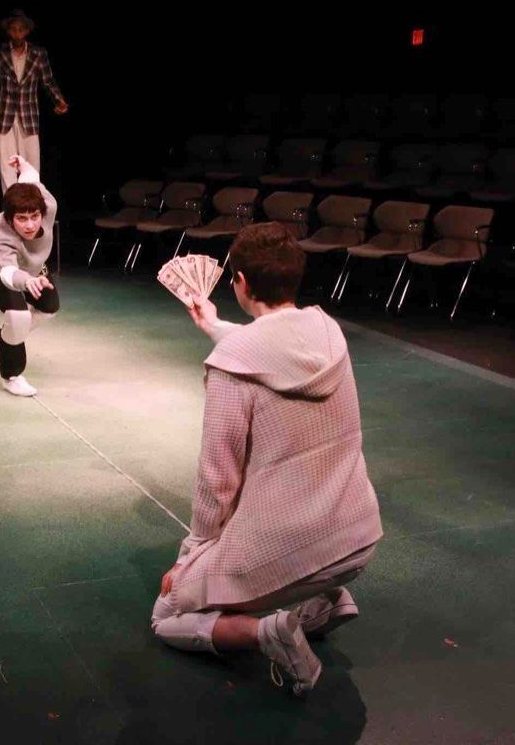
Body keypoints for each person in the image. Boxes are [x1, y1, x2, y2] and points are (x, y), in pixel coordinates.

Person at [150, 223, 383, 696]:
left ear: (238, 281)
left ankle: (268, 631)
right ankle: (326, 602)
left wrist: (189, 558)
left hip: (292, 545)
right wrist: (215, 326)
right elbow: (276, 345)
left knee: (167, 613)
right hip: (358, 538)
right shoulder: (327, 331)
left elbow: (217, 481)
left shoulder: (231, 368)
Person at [0, 155, 58, 397]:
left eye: (34, 217)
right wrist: (28, 281)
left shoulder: (48, 204)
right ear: (10, 219)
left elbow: (31, 178)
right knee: (18, 316)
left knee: (49, 307)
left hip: (31, 262)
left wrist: (23, 165)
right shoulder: (1, 233)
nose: (30, 225)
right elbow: (8, 272)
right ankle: (11, 376)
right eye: (21, 219)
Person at [0, 9, 69, 192]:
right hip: (4, 117)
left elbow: (48, 81)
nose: (17, 34)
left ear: (27, 31)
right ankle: (11, 207)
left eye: (21, 29)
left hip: (29, 117)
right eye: (13, 29)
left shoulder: (38, 53)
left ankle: (33, 207)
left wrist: (59, 101)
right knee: (7, 169)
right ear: (8, 31)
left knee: (32, 168)